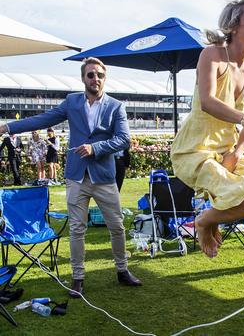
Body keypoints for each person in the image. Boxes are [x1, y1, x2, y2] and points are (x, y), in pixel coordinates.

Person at [0, 57, 141, 298]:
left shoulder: (116, 106)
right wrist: (8, 127)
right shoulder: (72, 101)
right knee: (76, 229)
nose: (95, 79)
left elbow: (123, 139)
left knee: (117, 227)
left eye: (100, 75)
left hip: (104, 177)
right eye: (91, 75)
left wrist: (95, 148)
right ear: (83, 78)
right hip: (76, 176)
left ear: (104, 78)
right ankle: (78, 278)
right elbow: (43, 119)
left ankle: (122, 270)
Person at [170, 0, 244, 258]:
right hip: (195, 150)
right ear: (233, 25)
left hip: (228, 151)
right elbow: (208, 102)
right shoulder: (212, 54)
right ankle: (204, 221)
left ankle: (211, 217)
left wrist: (238, 153)